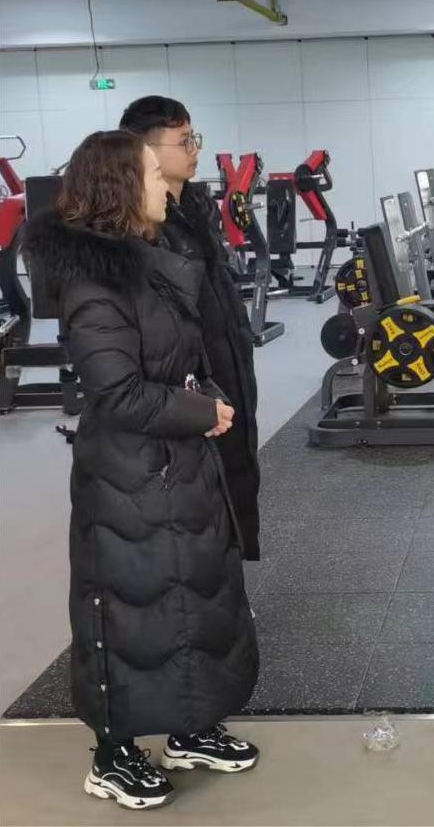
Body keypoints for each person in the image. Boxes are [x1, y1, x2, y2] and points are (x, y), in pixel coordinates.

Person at [23, 131, 259, 811]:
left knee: (193, 600)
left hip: (179, 465)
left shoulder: (151, 262)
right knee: (129, 613)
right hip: (128, 478)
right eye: (155, 173)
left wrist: (207, 396)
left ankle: (190, 728)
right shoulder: (94, 280)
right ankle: (112, 754)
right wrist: (200, 412)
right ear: (123, 187)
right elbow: (116, 391)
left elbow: (181, 356)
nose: (165, 184)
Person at [119, 97, 262, 561]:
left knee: (237, 481)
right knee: (199, 504)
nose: (194, 149)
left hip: (229, 363)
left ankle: (229, 580)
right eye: (183, 142)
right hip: (191, 386)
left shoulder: (198, 207)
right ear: (145, 152)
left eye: (193, 138)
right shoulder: (145, 227)